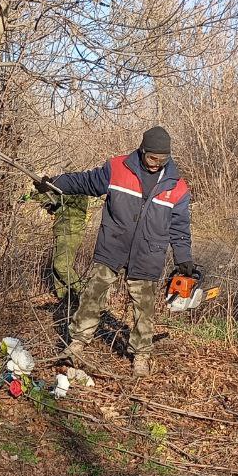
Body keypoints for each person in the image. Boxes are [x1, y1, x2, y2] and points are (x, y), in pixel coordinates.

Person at [37, 126, 193, 375]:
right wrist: (56, 183)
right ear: (142, 150)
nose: (155, 164)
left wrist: (184, 258)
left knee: (144, 307)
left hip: (149, 253)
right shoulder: (118, 168)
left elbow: (180, 226)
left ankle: (140, 354)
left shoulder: (178, 187)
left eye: (162, 160)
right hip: (113, 244)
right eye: (152, 158)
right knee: (92, 294)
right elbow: (85, 181)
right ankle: (76, 343)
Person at [29, 184, 90, 302]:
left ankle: (86, 293)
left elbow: (59, 198)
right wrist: (49, 206)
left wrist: (38, 192)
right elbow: (57, 205)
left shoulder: (79, 193)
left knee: (61, 266)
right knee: (56, 267)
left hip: (71, 232)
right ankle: (64, 299)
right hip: (62, 231)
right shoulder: (69, 195)